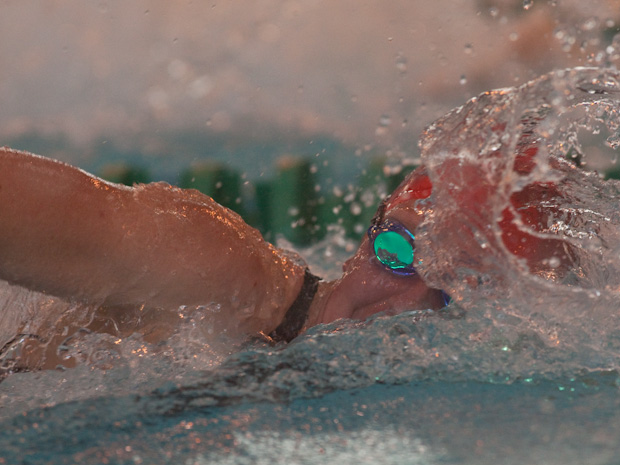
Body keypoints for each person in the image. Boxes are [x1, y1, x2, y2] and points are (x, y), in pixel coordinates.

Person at [0, 132, 572, 373]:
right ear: (363, 240)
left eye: (458, 289)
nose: (403, 303)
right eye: (397, 252)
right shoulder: (215, 268)